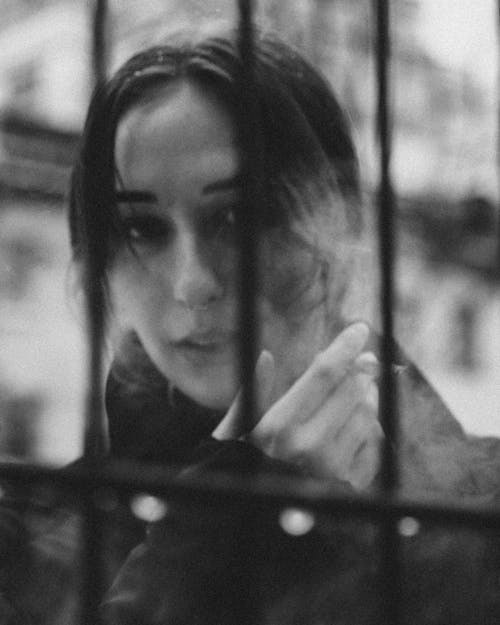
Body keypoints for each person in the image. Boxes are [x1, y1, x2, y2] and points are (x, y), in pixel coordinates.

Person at [2, 26, 500, 625]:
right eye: (142, 228)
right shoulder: (28, 540)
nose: (193, 283)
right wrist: (226, 525)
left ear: (332, 225)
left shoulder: (479, 511)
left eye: (236, 216)